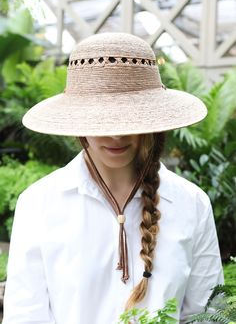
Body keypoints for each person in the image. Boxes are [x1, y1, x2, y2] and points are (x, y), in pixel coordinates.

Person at [2, 33, 223, 324]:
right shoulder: (39, 204)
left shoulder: (191, 203)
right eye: (101, 119)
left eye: (130, 118)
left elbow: (207, 315)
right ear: (77, 120)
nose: (116, 134)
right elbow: (25, 317)